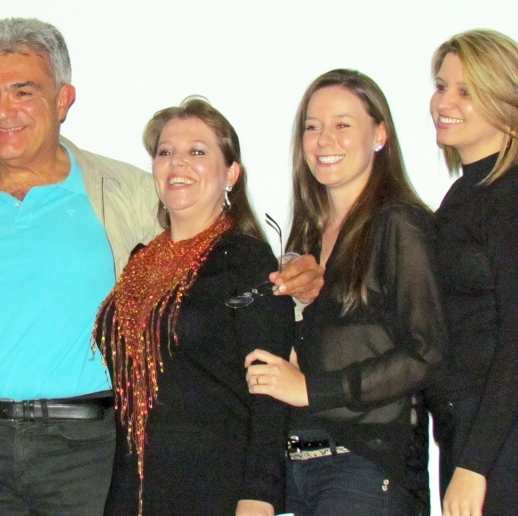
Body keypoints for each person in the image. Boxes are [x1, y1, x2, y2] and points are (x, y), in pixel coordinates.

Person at [0, 17, 323, 516]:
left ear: (63, 100)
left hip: (92, 457)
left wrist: (290, 274)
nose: (2, 111)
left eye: (23, 91)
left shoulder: (130, 192)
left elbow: (210, 262)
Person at [245, 69, 446, 515]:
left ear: (379, 135)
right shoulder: (308, 238)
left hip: (364, 466)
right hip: (299, 467)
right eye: (312, 126)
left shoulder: (399, 224)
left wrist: (312, 389)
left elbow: (426, 352)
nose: (324, 140)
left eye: (342, 124)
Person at [97, 98, 292, 516]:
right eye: (165, 152)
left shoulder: (246, 260)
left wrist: (260, 494)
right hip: (132, 488)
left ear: (231, 174)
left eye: (197, 151)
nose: (177, 162)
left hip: (215, 485)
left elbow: (270, 391)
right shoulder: (139, 263)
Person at [426, 29, 518, 516]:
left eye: (466, 91)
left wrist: (476, 463)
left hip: (498, 442)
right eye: (442, 86)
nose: (444, 102)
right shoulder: (462, 197)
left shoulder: (509, 195)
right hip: (467, 433)